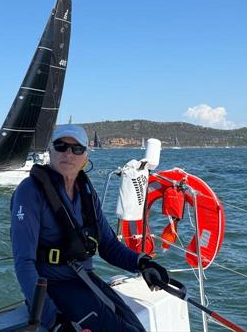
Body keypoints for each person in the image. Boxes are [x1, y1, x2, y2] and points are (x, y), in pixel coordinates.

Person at [10, 124, 170, 332]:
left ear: (85, 156)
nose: (68, 153)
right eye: (61, 146)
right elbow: (23, 262)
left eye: (77, 149)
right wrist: (54, 321)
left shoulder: (85, 191)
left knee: (136, 327)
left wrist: (142, 263)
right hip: (52, 287)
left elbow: (108, 245)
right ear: (49, 150)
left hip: (85, 280)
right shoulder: (29, 192)